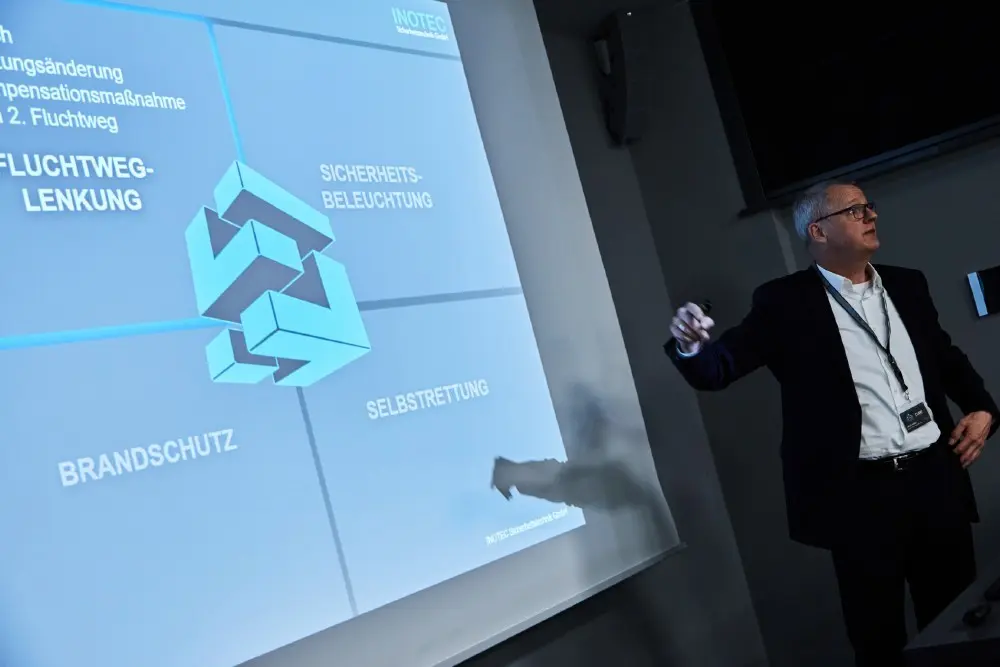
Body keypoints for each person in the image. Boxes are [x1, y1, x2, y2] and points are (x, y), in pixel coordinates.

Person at [664, 180, 999, 667]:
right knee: (877, 640)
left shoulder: (908, 284)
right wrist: (691, 345)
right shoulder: (783, 303)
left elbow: (945, 357)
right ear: (818, 231)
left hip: (936, 481)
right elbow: (718, 369)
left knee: (957, 629)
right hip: (860, 498)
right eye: (855, 210)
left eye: (870, 207)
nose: (871, 216)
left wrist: (984, 408)